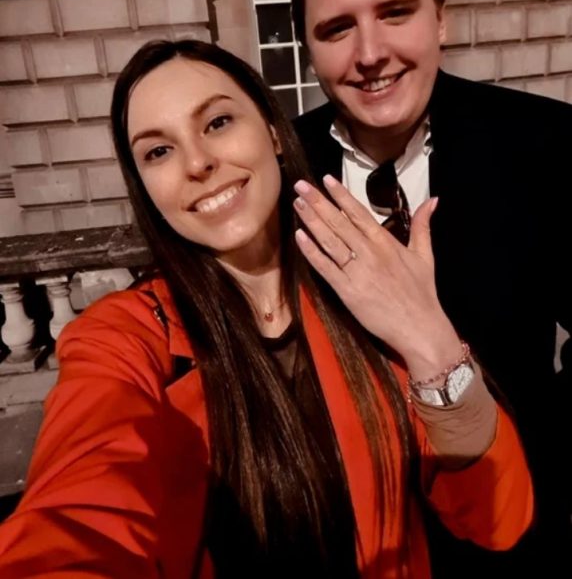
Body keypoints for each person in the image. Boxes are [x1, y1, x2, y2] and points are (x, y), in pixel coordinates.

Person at [0, 39, 532, 578]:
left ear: (274, 132)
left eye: (217, 123)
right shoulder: (126, 337)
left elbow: (496, 518)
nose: (198, 163)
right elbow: (76, 508)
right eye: (158, 152)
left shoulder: (365, 288)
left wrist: (430, 339)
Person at [290, 0, 572, 576]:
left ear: (441, 18)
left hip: (515, 538)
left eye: (395, 12)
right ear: (307, 45)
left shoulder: (547, 142)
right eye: (336, 28)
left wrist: (552, 466)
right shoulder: (277, 171)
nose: (370, 53)